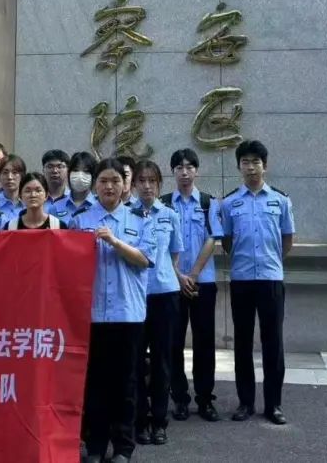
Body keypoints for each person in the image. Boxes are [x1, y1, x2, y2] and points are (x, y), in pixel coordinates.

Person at [71, 158, 157, 463]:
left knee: (127, 383)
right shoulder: (80, 221)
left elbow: (144, 259)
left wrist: (114, 241)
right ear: (95, 185)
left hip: (127, 314)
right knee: (94, 383)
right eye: (103, 181)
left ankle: (123, 447)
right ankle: (95, 445)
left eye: (115, 181)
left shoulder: (140, 219)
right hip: (92, 314)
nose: (109, 186)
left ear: (125, 185)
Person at [220, 140, 295, 425]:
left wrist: (270, 261)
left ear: (265, 165)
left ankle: (273, 404)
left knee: (273, 343)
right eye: (245, 162)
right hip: (241, 280)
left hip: (270, 279)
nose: (250, 167)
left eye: (255, 162)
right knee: (242, 342)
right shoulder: (229, 203)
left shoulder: (280, 200)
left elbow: (287, 239)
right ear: (239, 167)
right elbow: (227, 242)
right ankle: (245, 402)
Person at [164, 148, 223, 422]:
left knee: (204, 342)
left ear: (196, 171)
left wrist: (194, 274)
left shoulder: (209, 203)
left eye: (189, 167)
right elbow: (161, 245)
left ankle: (205, 398)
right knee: (173, 343)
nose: (184, 172)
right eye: (179, 167)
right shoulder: (164, 204)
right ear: (173, 172)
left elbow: (213, 239)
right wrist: (178, 275)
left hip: (203, 283)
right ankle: (179, 398)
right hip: (172, 284)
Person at [132, 159, 183, 447]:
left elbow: (174, 255)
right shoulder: (126, 215)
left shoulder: (170, 215)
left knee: (163, 360)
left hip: (165, 294)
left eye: (152, 181)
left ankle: (159, 421)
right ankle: (140, 420)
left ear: (160, 185)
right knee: (136, 361)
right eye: (142, 180)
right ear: (134, 185)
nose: (147, 186)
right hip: (135, 296)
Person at [47, 151, 96, 224]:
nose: (80, 175)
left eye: (86, 171)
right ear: (69, 173)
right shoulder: (55, 208)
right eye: (76, 170)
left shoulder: (101, 206)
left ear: (93, 176)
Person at [0, 154, 26, 219]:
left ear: (22, 176)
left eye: (14, 172)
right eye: (5, 172)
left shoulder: (28, 204)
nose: (10, 177)